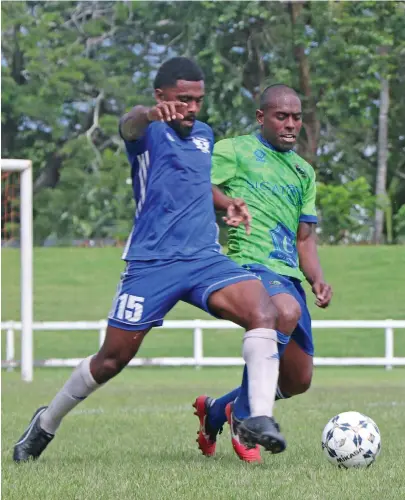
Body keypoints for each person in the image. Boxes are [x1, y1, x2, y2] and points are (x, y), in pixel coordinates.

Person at [13, 59, 290, 463]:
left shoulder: (204, 136)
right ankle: (45, 423)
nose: (191, 108)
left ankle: (258, 418)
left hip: (204, 260)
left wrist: (227, 202)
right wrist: (147, 114)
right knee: (111, 360)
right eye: (183, 100)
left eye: (198, 99)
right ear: (161, 97)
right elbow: (128, 123)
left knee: (265, 311)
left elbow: (195, 183)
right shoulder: (146, 132)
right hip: (152, 263)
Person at [193, 84, 333, 463]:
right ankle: (244, 417)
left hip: (288, 277)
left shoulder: (304, 172)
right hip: (249, 264)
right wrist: (227, 204)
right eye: (281, 116)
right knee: (284, 312)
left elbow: (305, 238)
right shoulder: (234, 150)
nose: (290, 124)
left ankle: (219, 407)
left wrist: (316, 277)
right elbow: (197, 185)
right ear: (261, 118)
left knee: (298, 381)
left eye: (296, 117)